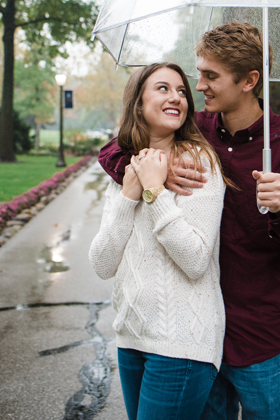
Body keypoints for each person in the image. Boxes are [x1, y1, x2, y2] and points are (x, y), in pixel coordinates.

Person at [98, 21, 280, 420]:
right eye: (198, 73)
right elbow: (113, 150)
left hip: (260, 335)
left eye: (210, 76)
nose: (198, 85)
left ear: (249, 80)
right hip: (195, 330)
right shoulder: (196, 131)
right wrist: (160, 171)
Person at [89, 62, 227, 420]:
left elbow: (196, 259)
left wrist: (154, 190)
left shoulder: (199, 163)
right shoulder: (122, 172)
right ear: (138, 103)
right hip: (130, 337)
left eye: (181, 91)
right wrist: (130, 194)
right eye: (163, 88)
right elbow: (103, 264)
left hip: (180, 344)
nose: (177, 97)